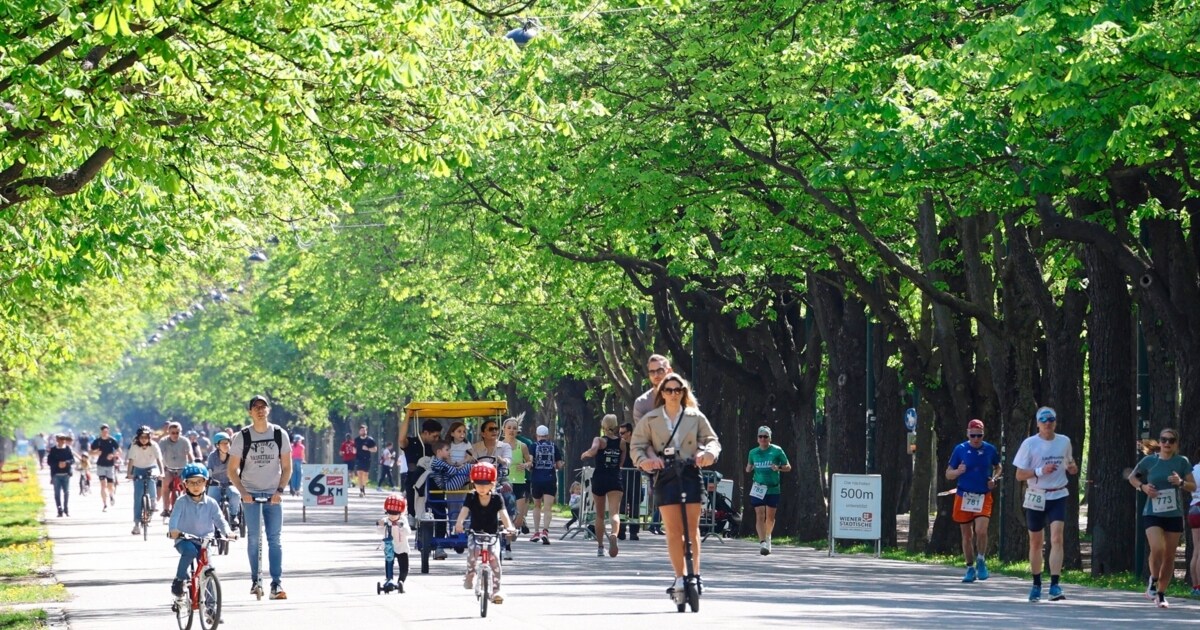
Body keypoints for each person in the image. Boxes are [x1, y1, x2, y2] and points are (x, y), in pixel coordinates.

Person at [631, 373, 721, 598]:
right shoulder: (650, 419)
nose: (673, 394)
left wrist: (709, 453)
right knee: (673, 530)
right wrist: (646, 461)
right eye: (669, 390)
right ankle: (680, 577)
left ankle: (696, 576)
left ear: (684, 392)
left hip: (690, 471)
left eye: (677, 390)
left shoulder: (695, 416)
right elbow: (637, 446)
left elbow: (712, 440)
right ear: (662, 393)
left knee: (692, 530)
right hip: (665, 475)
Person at [228, 394, 292, 600]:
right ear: (250, 412)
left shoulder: (279, 434)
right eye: (256, 407)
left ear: (268, 410)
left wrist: (280, 490)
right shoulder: (243, 436)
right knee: (254, 538)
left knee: (275, 539)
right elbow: (232, 469)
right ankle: (256, 580)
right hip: (251, 493)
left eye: (263, 406)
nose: (260, 410)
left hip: (273, 492)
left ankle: (276, 583)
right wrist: (243, 492)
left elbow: (287, 467)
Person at [1013, 406, 1078, 602]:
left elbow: (1070, 465)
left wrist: (1073, 468)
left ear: (1055, 422)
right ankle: (1036, 584)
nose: (1047, 423)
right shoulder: (1029, 444)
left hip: (1058, 494)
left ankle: (1055, 585)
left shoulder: (1064, 441)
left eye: (1051, 419)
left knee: (1057, 538)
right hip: (1036, 495)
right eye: (1043, 420)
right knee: (1035, 542)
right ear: (1038, 423)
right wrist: (1040, 471)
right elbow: (1019, 475)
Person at [1129, 428, 1194, 608]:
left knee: (1169, 555)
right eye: (1164, 439)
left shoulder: (1182, 462)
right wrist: (1143, 487)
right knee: (1157, 548)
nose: (1167, 443)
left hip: (1173, 514)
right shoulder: (1150, 461)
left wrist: (1180, 482)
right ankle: (1153, 579)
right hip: (1152, 513)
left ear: (1176, 444)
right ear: (1160, 442)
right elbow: (1132, 477)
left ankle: (1161, 594)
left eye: (1171, 440)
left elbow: (1193, 486)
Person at [168, 463, 235, 598]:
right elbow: (173, 518)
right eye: (191, 483)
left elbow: (220, 520)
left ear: (206, 482)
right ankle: (179, 579)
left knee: (207, 568)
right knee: (190, 551)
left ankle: (211, 610)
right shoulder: (181, 501)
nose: (196, 486)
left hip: (205, 540)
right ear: (185, 484)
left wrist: (228, 532)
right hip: (184, 539)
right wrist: (173, 530)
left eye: (199, 482)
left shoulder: (211, 502)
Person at [945, 419, 1000, 581]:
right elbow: (948, 473)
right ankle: (970, 567)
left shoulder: (990, 449)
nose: (976, 439)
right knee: (967, 535)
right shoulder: (960, 449)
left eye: (979, 435)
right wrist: (957, 471)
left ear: (983, 434)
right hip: (964, 496)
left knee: (981, 530)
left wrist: (994, 479)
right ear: (968, 433)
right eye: (973, 435)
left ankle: (981, 560)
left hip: (983, 495)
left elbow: (998, 466)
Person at [454, 462, 516, 605]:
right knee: (472, 554)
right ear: (473, 483)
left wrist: (510, 527)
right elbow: (464, 511)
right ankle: (470, 575)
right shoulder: (471, 496)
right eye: (478, 484)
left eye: (485, 484)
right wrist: (459, 523)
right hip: (475, 533)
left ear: (492, 484)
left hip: (492, 534)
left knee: (495, 561)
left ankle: (496, 591)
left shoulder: (497, 498)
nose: (481, 487)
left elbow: (504, 514)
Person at [581, 413, 626, 557]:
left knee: (599, 515)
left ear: (604, 426)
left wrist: (585, 454)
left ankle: (600, 547)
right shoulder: (622, 442)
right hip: (614, 478)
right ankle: (613, 534)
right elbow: (621, 462)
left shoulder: (599, 440)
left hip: (600, 478)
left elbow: (594, 451)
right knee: (614, 513)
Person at [746, 425, 792, 556]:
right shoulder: (753, 452)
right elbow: (748, 467)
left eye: (765, 436)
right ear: (757, 439)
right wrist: (749, 468)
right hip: (758, 487)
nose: (763, 439)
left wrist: (778, 468)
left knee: (770, 517)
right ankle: (762, 543)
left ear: (770, 438)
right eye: (760, 436)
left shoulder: (777, 451)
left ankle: (768, 536)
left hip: (772, 488)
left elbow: (788, 467)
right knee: (760, 514)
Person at [472, 419, 514, 560]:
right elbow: (468, 461)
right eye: (491, 429)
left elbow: (508, 461)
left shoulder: (504, 446)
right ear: (483, 433)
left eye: (496, 429)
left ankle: (507, 537)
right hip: (479, 481)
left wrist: (502, 460)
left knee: (508, 498)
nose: (494, 431)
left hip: (499, 478)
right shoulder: (475, 447)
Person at [429, 440, 472, 560]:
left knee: (466, 470)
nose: (449, 452)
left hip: (448, 483)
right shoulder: (438, 462)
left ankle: (471, 477)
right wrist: (461, 466)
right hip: (448, 485)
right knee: (469, 467)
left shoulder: (440, 462)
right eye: (447, 450)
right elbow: (453, 471)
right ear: (439, 452)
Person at [528, 424, 564, 544]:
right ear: (547, 435)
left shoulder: (533, 446)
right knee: (548, 507)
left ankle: (536, 532)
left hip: (537, 479)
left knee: (537, 506)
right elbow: (559, 465)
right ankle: (545, 531)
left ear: (537, 436)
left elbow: (530, 461)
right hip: (550, 479)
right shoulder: (554, 446)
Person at [400, 419, 442, 517]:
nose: (436, 439)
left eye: (438, 436)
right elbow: (401, 440)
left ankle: (440, 532)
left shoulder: (436, 447)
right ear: (426, 433)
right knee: (415, 513)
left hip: (433, 483)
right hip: (414, 484)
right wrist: (408, 416)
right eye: (434, 436)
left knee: (439, 511)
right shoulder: (411, 443)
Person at [127, 426, 164, 534]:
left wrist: (161, 473)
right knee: (138, 497)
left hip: (151, 467)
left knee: (152, 480)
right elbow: (131, 460)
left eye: (146, 437)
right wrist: (129, 473)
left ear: (149, 437)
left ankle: (153, 501)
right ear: (138, 437)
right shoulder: (134, 446)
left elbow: (159, 460)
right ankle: (137, 524)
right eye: (141, 437)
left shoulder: (154, 445)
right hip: (138, 469)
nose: (144, 439)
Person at [502, 418, 532, 534]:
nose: (511, 431)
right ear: (503, 429)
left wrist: (525, 465)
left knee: (518, 519)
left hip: (520, 482)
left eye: (514, 428)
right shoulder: (498, 446)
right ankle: (507, 541)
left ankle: (514, 529)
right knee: (506, 513)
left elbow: (530, 462)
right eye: (509, 428)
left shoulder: (522, 446)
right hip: (504, 482)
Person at [157, 421, 193, 517]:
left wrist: (193, 465)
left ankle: (188, 506)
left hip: (182, 469)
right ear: (169, 432)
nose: (175, 435)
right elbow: (159, 455)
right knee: (165, 485)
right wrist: (160, 468)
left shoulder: (185, 441)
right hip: (168, 468)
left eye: (177, 432)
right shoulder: (163, 441)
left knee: (187, 486)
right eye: (173, 433)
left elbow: (190, 455)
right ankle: (165, 508)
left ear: (180, 432)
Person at [377, 493, 412, 593]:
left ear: (400, 513)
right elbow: (378, 532)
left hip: (402, 548)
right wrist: (380, 525)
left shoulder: (403, 520)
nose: (392, 516)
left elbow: (408, 532)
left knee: (404, 568)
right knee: (389, 564)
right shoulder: (386, 520)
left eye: (395, 513)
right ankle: (389, 580)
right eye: (390, 513)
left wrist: (401, 526)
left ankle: (401, 582)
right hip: (389, 548)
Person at [206, 432, 242, 525]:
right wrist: (209, 478)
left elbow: (237, 468)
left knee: (235, 494)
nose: (226, 445)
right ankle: (213, 520)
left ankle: (234, 516)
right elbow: (209, 469)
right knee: (211, 500)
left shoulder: (233, 455)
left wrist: (237, 478)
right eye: (223, 443)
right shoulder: (212, 456)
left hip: (230, 482)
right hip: (215, 483)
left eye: (228, 443)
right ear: (217, 445)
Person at [90, 423, 122, 512]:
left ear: (108, 431)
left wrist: (113, 455)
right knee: (103, 485)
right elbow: (90, 451)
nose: (105, 433)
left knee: (110, 486)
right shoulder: (97, 441)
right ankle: (105, 504)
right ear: (101, 431)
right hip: (100, 465)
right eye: (103, 431)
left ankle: (111, 495)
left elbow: (119, 451)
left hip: (110, 466)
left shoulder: (112, 440)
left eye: (106, 431)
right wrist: (96, 453)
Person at [618, 422, 642, 540]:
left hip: (635, 477)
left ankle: (634, 532)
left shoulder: (636, 445)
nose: (621, 435)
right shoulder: (620, 445)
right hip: (622, 477)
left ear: (629, 433)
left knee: (634, 504)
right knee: (622, 505)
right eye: (619, 433)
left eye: (623, 433)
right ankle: (621, 531)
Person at [633, 354, 672, 424]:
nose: (656, 375)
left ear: (669, 371)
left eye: (660, 370)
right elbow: (642, 433)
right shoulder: (641, 403)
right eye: (652, 372)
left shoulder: (681, 397)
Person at [47, 434, 75, 517]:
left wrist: (66, 463)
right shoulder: (53, 450)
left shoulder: (68, 449)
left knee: (66, 492)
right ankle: (59, 510)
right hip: (56, 475)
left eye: (64, 439)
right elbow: (49, 462)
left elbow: (72, 460)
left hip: (66, 474)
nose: (63, 441)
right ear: (57, 440)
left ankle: (66, 508)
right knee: (57, 493)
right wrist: (57, 464)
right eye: (61, 439)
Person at [353, 424, 378, 497]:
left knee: (365, 475)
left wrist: (368, 449)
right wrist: (354, 451)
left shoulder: (370, 440)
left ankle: (363, 486)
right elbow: (354, 448)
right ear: (359, 431)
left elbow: (375, 449)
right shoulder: (356, 440)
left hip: (367, 459)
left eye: (364, 430)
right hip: (358, 459)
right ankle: (361, 490)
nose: (363, 431)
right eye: (361, 430)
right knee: (359, 474)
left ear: (366, 431)